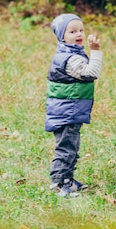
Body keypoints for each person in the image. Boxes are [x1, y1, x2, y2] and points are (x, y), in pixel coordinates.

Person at [46, 13, 103, 197]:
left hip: (71, 110)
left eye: (80, 30)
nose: (78, 34)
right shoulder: (69, 58)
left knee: (72, 147)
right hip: (66, 112)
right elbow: (91, 73)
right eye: (72, 31)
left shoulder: (72, 53)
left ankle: (68, 179)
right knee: (66, 149)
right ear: (62, 36)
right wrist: (96, 51)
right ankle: (58, 183)